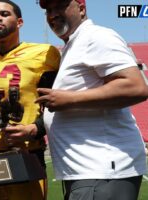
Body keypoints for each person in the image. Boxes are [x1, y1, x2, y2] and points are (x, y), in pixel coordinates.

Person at [36, 0, 148, 199]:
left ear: (81, 7)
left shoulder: (97, 37)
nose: (52, 14)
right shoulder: (74, 45)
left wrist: (68, 99)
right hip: (90, 171)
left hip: (101, 171)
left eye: (60, 5)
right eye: (48, 9)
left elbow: (135, 86)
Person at [0, 0, 60, 199]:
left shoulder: (43, 54)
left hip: (26, 151)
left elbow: (53, 106)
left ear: (20, 22)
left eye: (5, 14)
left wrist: (34, 129)